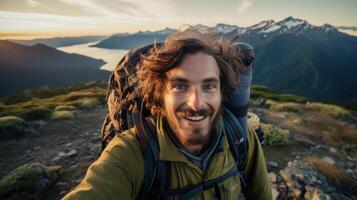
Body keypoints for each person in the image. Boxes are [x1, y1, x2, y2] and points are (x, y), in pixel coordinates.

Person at [63, 30, 272, 200]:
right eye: (180, 86)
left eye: (209, 85)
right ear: (160, 95)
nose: (196, 104)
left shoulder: (240, 137)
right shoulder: (130, 155)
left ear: (222, 93)